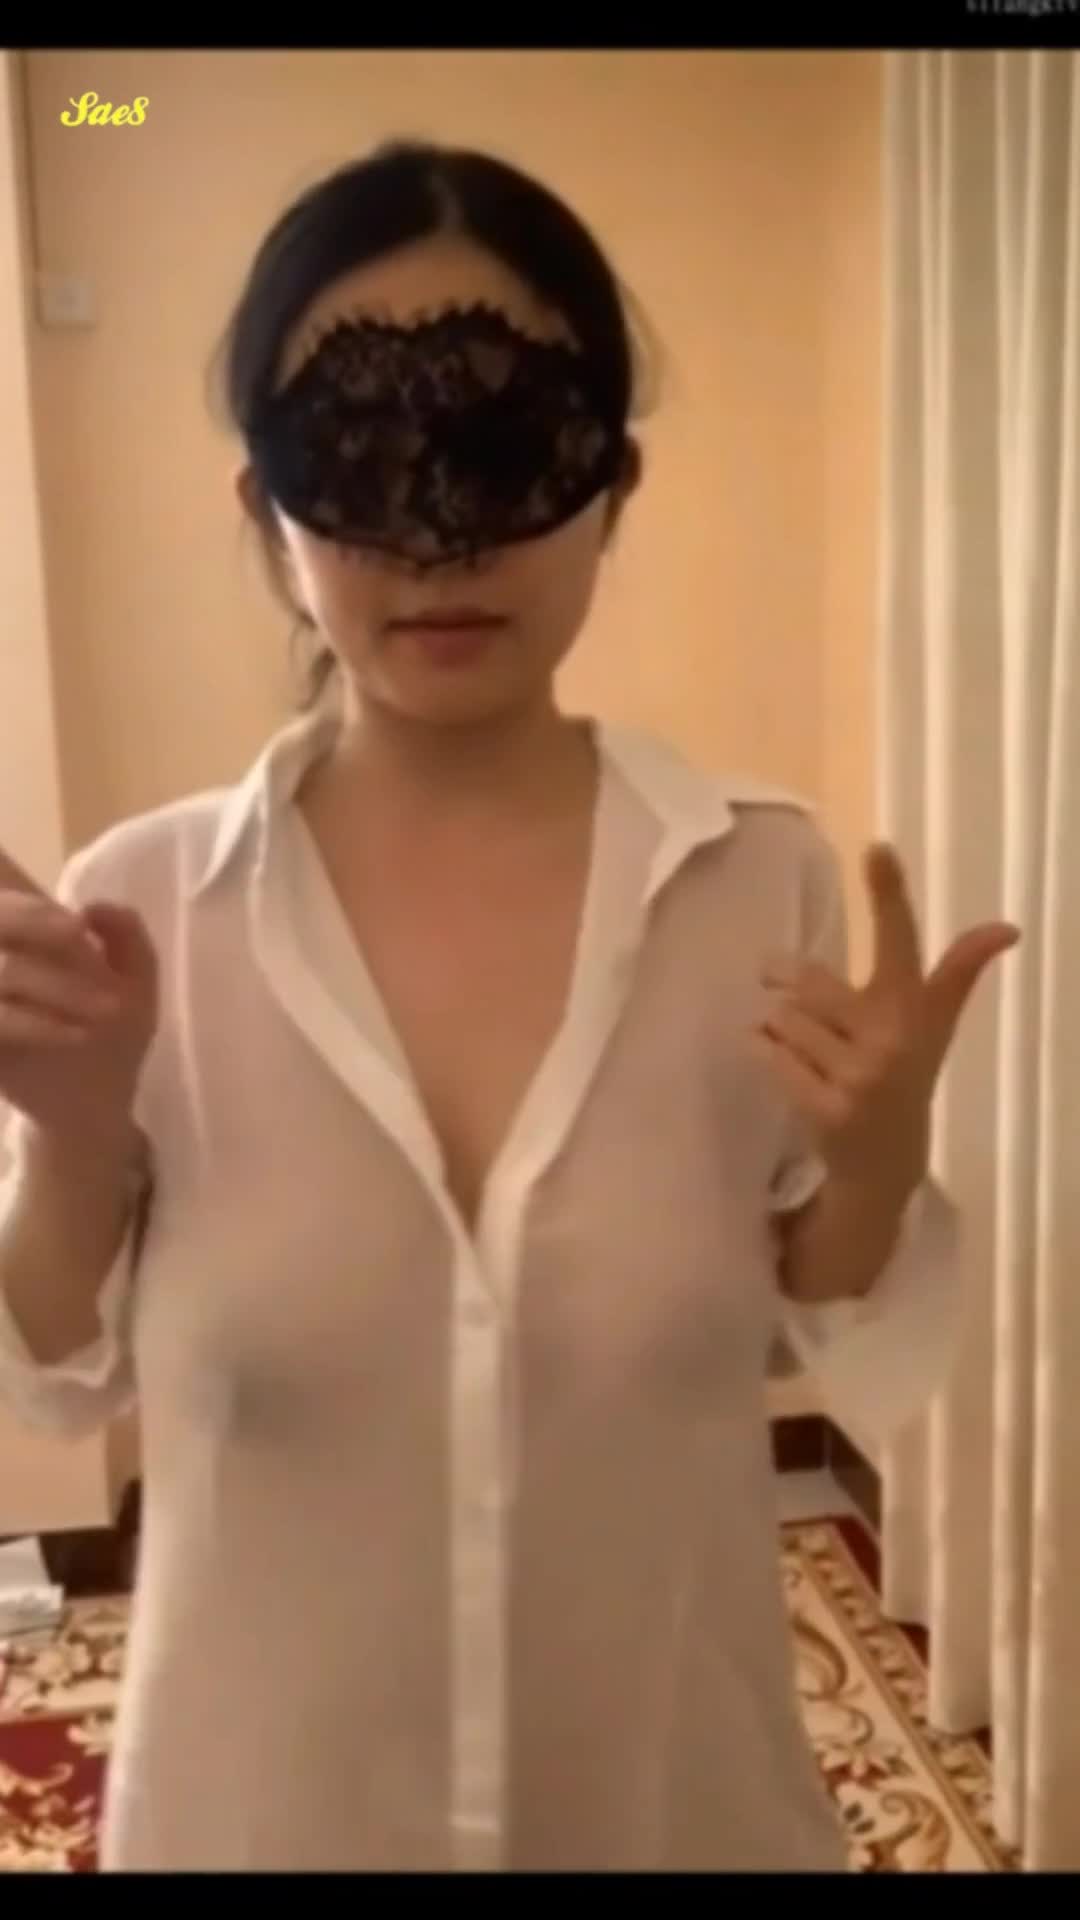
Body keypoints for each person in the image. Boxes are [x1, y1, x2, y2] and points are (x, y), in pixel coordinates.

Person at [0, 141, 1018, 1873]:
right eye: (363, 454)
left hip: (674, 1807)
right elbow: (47, 1381)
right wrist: (78, 1138)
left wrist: (872, 1165)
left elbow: (823, 1332)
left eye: (506, 443)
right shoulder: (144, 910)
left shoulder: (751, 880)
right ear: (267, 511)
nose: (441, 537)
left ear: (612, 482)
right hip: (263, 1822)